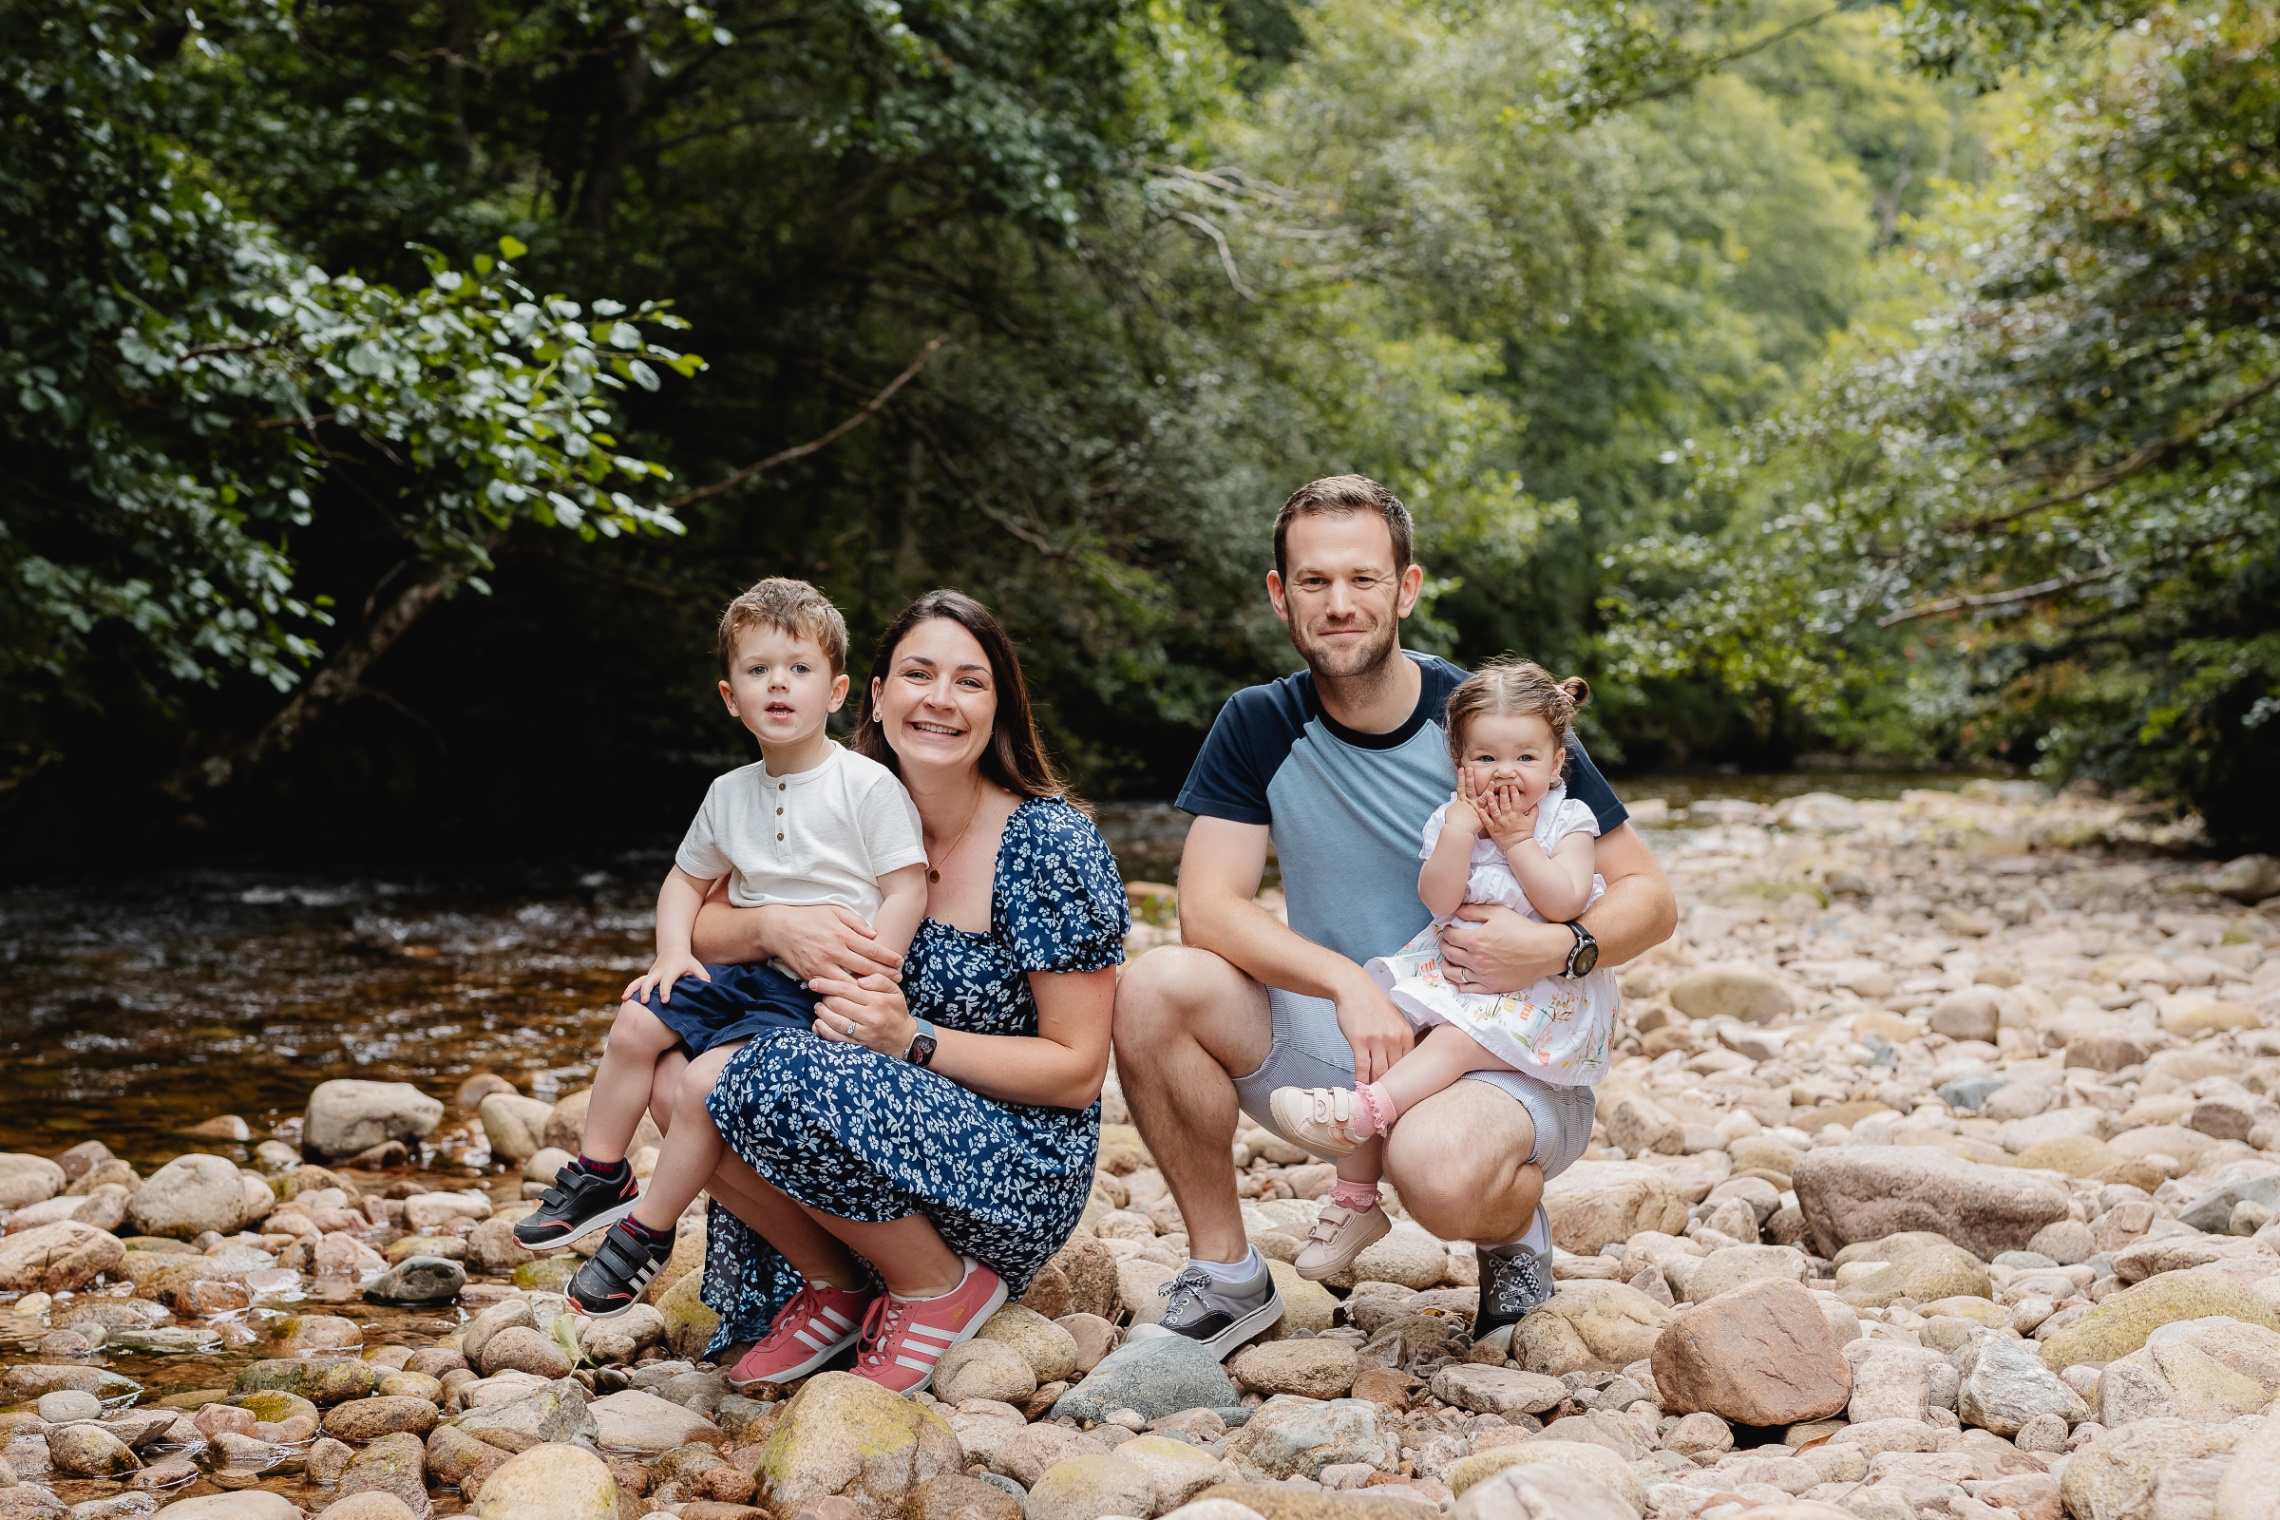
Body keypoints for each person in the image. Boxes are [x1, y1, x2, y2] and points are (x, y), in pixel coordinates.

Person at [1113, 474, 1677, 1359]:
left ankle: (1513, 1231)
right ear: (1280, 595)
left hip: (1507, 1046)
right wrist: (1344, 982)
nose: (1339, 604)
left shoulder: (1486, 723)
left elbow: (1650, 897)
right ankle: (1226, 1276)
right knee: (1153, 987)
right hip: (1360, 1030)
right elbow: (1208, 910)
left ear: (1405, 589)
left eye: (1363, 580)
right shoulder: (1258, 724)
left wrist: (1557, 948)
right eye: (1314, 582)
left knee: (1438, 1176)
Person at [652, 590, 1128, 1395]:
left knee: (759, 1074)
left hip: (1006, 1159)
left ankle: (936, 1284)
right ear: (875, 694)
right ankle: (836, 1284)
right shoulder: (833, 802)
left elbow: (1078, 1070)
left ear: (999, 706)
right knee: (670, 1071)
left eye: (970, 682)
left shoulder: (1047, 843)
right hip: (853, 1134)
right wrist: (774, 927)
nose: (940, 700)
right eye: (918, 674)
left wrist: (912, 1037)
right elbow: (696, 924)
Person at [515, 578, 931, 1319]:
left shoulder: (864, 785)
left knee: (706, 1082)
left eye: (799, 670)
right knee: (640, 1020)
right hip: (742, 971)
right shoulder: (728, 793)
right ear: (729, 696)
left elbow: (907, 889)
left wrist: (871, 974)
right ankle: (600, 1174)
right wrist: (672, 952)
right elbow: (684, 880)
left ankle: (649, 1232)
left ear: (837, 693)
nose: (779, 684)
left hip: (813, 991)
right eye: (758, 670)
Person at [1269, 660, 1620, 1278]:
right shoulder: (1450, 819)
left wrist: (1516, 843)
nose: (1505, 774)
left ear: (1557, 761)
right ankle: (1355, 1198)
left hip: (1539, 1002)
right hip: (1459, 983)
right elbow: (1438, 898)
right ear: (1459, 762)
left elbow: (1562, 902)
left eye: (1526, 759)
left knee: (1455, 1042)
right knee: (1384, 1034)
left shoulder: (1568, 822)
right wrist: (1461, 831)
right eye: (1485, 759)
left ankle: (1364, 1114)